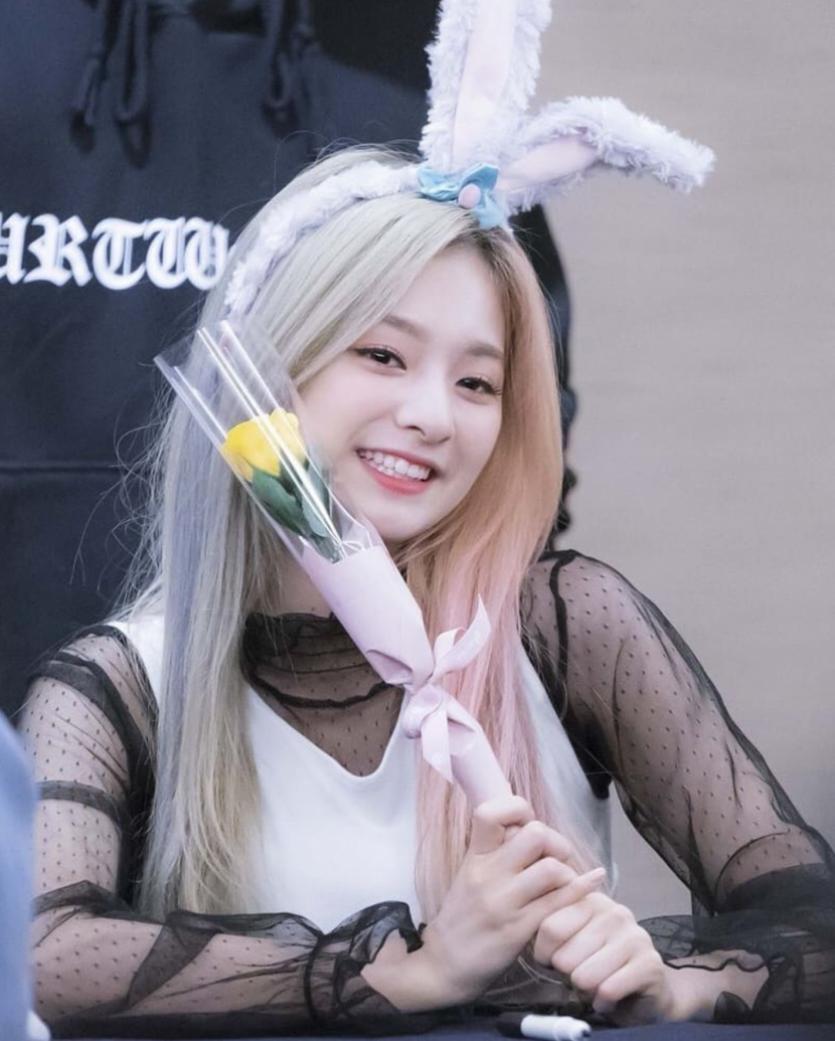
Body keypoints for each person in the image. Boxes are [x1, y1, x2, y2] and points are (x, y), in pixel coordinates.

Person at [19, 2, 835, 1035]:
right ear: (272, 367)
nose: (431, 416)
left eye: (476, 382)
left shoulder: (564, 627)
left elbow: (813, 925)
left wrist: (676, 984)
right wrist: (410, 970)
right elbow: (42, 958)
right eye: (382, 354)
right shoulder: (120, 685)